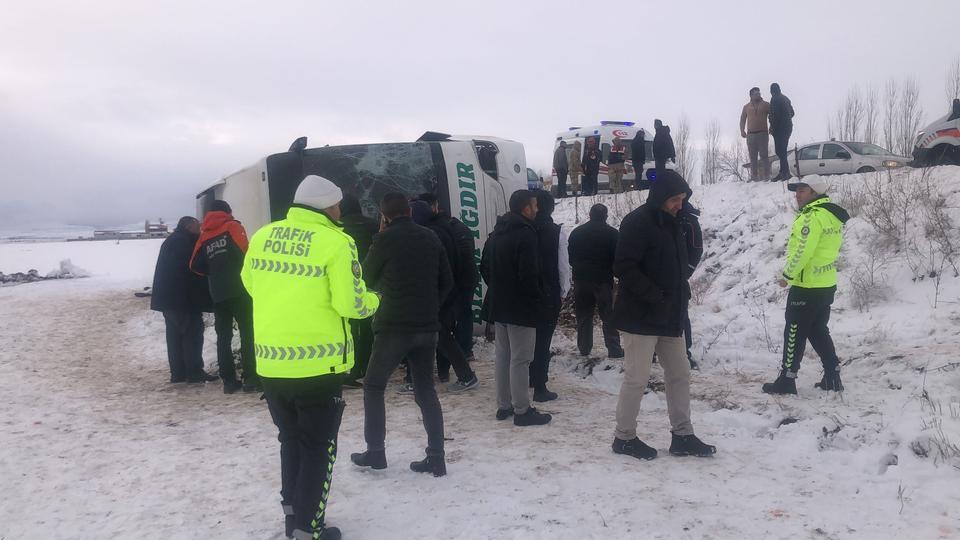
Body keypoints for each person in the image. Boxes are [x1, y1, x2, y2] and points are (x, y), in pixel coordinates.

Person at [241, 174, 380, 540]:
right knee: (319, 449)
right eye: (336, 204)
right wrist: (376, 301)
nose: (339, 210)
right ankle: (309, 528)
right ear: (326, 206)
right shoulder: (336, 241)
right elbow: (350, 304)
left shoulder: (263, 235)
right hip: (319, 367)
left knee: (290, 440)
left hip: (271, 364)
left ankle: (292, 515)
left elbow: (250, 285)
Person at [610, 170, 716, 461]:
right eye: (674, 199)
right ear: (659, 197)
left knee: (680, 374)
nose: (679, 205)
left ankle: (682, 435)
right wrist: (654, 295)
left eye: (682, 199)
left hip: (670, 316)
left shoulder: (676, 223)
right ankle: (624, 437)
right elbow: (623, 267)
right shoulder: (637, 222)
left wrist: (679, 298)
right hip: (640, 316)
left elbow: (681, 267)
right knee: (637, 378)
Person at [351, 192, 453, 477]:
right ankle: (436, 456)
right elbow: (447, 281)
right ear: (408, 210)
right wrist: (431, 307)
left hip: (393, 327)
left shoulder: (383, 240)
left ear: (384, 215)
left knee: (373, 386)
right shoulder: (431, 237)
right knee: (425, 390)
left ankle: (375, 452)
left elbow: (366, 279)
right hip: (427, 326)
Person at [762, 176, 849, 395]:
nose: (797, 194)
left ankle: (787, 381)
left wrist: (787, 276)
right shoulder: (830, 216)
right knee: (818, 330)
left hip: (806, 285)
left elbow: (803, 251)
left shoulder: (811, 218)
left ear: (814, 193)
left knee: (794, 331)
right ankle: (832, 375)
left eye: (802, 190)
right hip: (825, 284)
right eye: (796, 190)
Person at [480, 190, 552, 426]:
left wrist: (499, 287)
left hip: (498, 304)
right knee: (521, 359)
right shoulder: (525, 234)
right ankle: (522, 411)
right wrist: (539, 299)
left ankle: (504, 406)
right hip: (520, 306)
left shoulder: (497, 232)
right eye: (534, 205)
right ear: (525, 208)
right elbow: (529, 275)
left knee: (503, 356)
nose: (537, 209)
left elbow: (484, 267)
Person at [410, 200, 479, 392]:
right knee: (441, 335)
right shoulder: (444, 229)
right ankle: (451, 374)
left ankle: (418, 379)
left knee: (436, 335)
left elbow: (438, 269)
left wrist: (435, 298)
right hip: (446, 292)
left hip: (437, 295)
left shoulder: (431, 235)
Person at [190, 200, 256, 394]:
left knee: (223, 337)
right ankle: (251, 378)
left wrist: (215, 272)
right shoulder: (233, 226)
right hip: (241, 290)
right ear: (227, 211)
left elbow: (194, 264)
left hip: (218, 293)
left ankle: (228, 381)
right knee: (248, 333)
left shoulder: (205, 235)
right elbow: (247, 253)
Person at [151, 216, 215, 383]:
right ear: (188, 226)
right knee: (192, 335)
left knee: (174, 338)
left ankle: (178, 373)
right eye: (196, 226)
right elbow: (190, 271)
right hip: (182, 300)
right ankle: (194, 372)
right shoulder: (183, 243)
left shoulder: (172, 240)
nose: (200, 229)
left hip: (168, 300)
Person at [529, 190, 570, 402]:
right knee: (543, 341)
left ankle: (525, 377)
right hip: (548, 293)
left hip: (525, 293)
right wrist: (564, 291)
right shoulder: (556, 232)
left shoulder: (523, 228)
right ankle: (540, 386)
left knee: (525, 340)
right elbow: (563, 266)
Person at [568, 204, 623, 359]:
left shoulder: (577, 232)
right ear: (605, 216)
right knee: (608, 315)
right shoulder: (613, 234)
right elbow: (617, 258)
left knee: (584, 314)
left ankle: (584, 348)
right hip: (603, 280)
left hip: (580, 279)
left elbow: (570, 257)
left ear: (590, 215)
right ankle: (614, 349)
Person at [338, 193, 380, 387]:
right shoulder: (372, 224)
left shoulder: (338, 228)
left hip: (347, 282)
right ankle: (367, 364)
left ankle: (354, 368)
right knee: (368, 326)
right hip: (370, 280)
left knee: (351, 327)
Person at [678, 191, 703, 370]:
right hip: (655, 278)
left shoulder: (689, 220)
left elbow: (696, 249)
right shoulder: (660, 216)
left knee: (680, 315)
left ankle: (685, 352)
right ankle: (656, 350)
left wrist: (685, 272)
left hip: (678, 278)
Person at [740, 87, 771, 181]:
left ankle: (767, 176)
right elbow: (742, 119)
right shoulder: (746, 107)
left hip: (763, 134)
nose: (758, 95)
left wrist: (772, 127)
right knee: (753, 157)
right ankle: (754, 177)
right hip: (751, 135)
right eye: (755, 93)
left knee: (764, 156)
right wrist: (742, 130)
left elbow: (772, 116)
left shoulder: (766, 104)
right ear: (751, 96)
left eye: (759, 93)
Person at [769, 82, 795, 181]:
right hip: (788, 127)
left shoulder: (775, 99)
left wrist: (772, 127)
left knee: (780, 151)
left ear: (772, 91)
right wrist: (786, 119)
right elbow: (792, 113)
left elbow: (775, 116)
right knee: (782, 150)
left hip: (780, 129)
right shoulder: (786, 98)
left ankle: (785, 173)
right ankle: (783, 172)